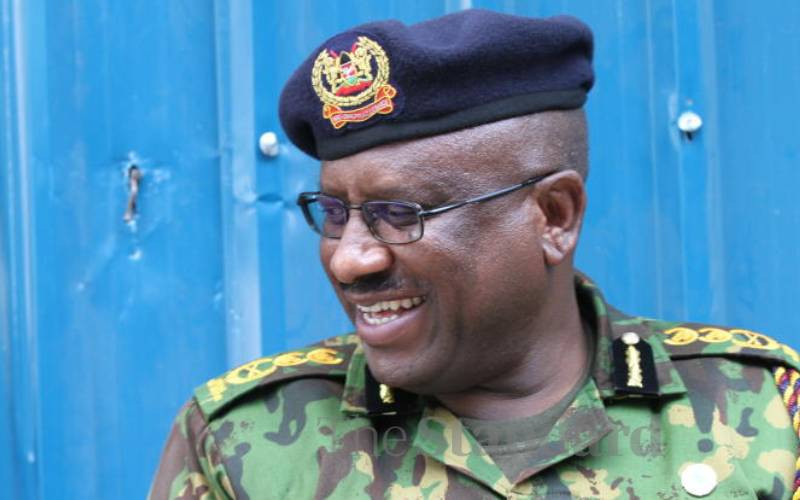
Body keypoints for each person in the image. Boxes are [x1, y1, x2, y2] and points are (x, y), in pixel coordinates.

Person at [149, 9, 800, 499]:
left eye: (399, 213)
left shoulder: (766, 410)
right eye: (335, 213)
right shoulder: (242, 445)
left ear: (554, 216)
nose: (349, 261)